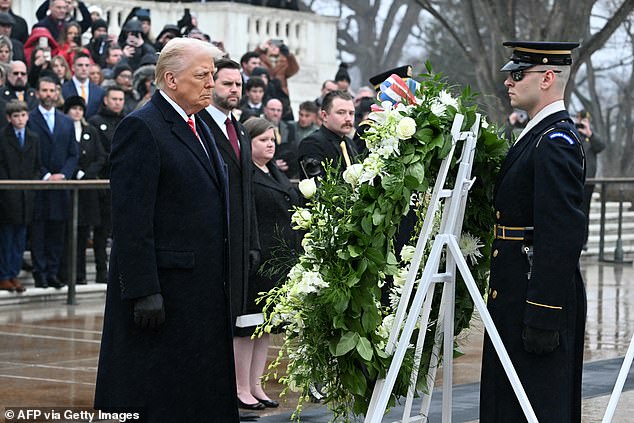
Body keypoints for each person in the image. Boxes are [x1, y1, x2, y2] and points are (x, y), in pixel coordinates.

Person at [94, 37, 239, 421]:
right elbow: (131, 219)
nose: (211, 82)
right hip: (165, 293)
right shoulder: (142, 128)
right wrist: (143, 291)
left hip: (201, 290)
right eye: (202, 75)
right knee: (157, 394)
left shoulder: (201, 125)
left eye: (212, 74)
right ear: (172, 80)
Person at [480, 41, 586, 423]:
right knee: (510, 402)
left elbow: (561, 233)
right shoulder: (537, 134)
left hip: (534, 294)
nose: (508, 81)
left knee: (536, 405)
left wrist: (543, 314)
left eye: (518, 73)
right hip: (516, 288)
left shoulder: (555, 141)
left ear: (546, 78)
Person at [196, 58, 261, 411]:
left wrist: (252, 241)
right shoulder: (201, 124)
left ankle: (232, 388)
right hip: (213, 239)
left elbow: (246, 188)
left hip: (239, 242)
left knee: (237, 318)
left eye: (238, 84)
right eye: (226, 83)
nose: (233, 90)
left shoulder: (241, 129)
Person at [241, 117, 303, 409]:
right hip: (257, 258)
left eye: (272, 139)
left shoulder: (274, 170)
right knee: (248, 326)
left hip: (277, 260)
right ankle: (241, 386)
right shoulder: (245, 173)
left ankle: (256, 384)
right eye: (263, 140)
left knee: (265, 327)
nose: (270, 145)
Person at [28, 76, 78, 289]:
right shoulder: (29, 119)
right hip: (39, 185)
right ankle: (40, 272)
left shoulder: (66, 121)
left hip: (61, 187)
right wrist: (46, 175)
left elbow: (73, 154)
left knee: (57, 231)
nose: (48, 94)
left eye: (51, 90)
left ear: (57, 92)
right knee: (39, 232)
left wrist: (64, 175)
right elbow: (28, 156)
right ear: (38, 93)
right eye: (44, 90)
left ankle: (53, 272)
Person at [63, 95, 105, 284]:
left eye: (80, 109)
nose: (77, 112)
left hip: (88, 189)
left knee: (84, 232)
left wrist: (87, 174)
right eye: (73, 109)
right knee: (70, 233)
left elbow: (100, 156)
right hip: (69, 188)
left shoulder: (90, 131)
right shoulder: (63, 130)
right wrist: (75, 172)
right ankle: (71, 274)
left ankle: (81, 276)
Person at [0, 100, 40, 293]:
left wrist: (31, 186)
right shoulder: (2, 137)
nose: (20, 119)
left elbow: (36, 166)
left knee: (20, 238)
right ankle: (4, 275)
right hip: (7, 196)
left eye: (23, 115)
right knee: (6, 238)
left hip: (26, 197)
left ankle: (13, 273)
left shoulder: (33, 138)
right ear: (9, 118)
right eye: (16, 116)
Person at [87, 85, 125, 284]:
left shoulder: (129, 121)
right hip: (101, 183)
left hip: (123, 185)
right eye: (114, 99)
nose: (118, 102)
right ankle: (102, 270)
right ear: (105, 100)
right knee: (101, 231)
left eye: (121, 99)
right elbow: (98, 153)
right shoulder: (95, 122)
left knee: (118, 231)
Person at [298, 90, 357, 179]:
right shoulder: (312, 143)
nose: (348, 118)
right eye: (341, 112)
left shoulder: (350, 143)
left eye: (351, 113)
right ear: (324, 116)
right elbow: (318, 185)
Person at [575, 110, 605, 249]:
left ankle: (583, 241)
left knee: (584, 211)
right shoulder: (573, 133)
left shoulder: (591, 137)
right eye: (580, 120)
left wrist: (589, 133)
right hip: (574, 180)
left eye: (584, 120)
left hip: (588, 181)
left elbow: (601, 146)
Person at [61, 52, 105, 118]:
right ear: (73, 67)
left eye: (87, 65)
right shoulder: (63, 89)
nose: (84, 69)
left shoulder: (99, 91)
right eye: (80, 65)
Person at [262, 97, 297, 178]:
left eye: (278, 110)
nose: (276, 113)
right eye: (272, 110)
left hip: (287, 173)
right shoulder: (259, 128)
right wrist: (273, 164)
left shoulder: (290, 128)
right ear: (265, 110)